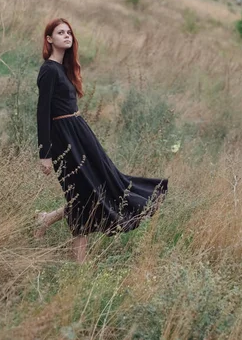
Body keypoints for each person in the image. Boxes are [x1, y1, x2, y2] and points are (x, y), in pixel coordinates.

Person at [35, 18, 168, 263]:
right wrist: (45, 153)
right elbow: (43, 113)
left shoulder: (65, 68)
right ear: (49, 39)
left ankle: (47, 219)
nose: (67, 36)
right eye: (60, 32)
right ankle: (79, 265)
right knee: (80, 194)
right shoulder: (49, 70)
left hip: (80, 133)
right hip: (64, 139)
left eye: (69, 32)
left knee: (99, 187)